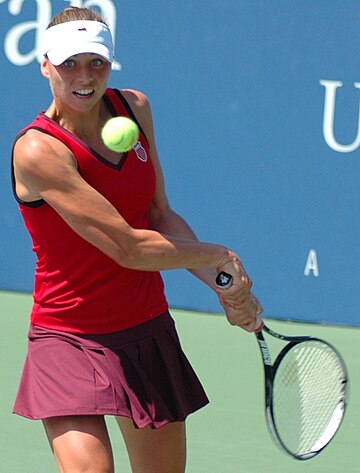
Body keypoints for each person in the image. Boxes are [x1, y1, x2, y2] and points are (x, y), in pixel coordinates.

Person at [11, 6, 262, 473]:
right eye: (68, 63)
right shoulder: (37, 150)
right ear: (44, 64)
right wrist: (221, 255)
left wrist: (224, 286)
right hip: (68, 337)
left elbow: (158, 215)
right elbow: (127, 246)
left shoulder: (135, 108)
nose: (84, 76)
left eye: (96, 62)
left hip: (143, 327)